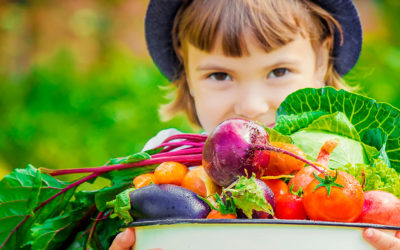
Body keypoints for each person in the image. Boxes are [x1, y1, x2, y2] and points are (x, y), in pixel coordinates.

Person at [110, 0, 400, 249]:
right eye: (220, 75)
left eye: (279, 70)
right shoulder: (163, 167)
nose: (251, 106)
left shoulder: (365, 182)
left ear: (322, 61)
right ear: (186, 70)